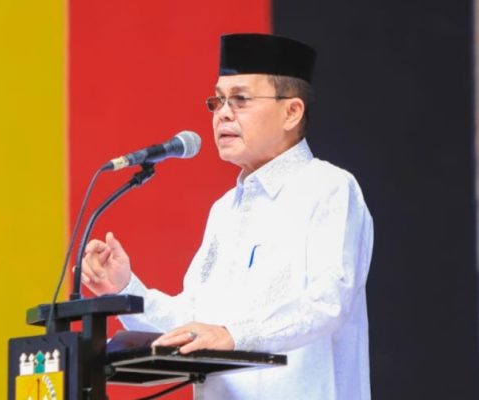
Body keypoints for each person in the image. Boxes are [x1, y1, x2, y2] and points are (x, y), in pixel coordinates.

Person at [81, 33, 374, 399]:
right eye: (218, 100)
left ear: (291, 112)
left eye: (240, 99)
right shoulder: (224, 211)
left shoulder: (329, 187)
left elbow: (327, 303)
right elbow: (194, 327)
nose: (222, 113)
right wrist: (125, 289)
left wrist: (235, 335)